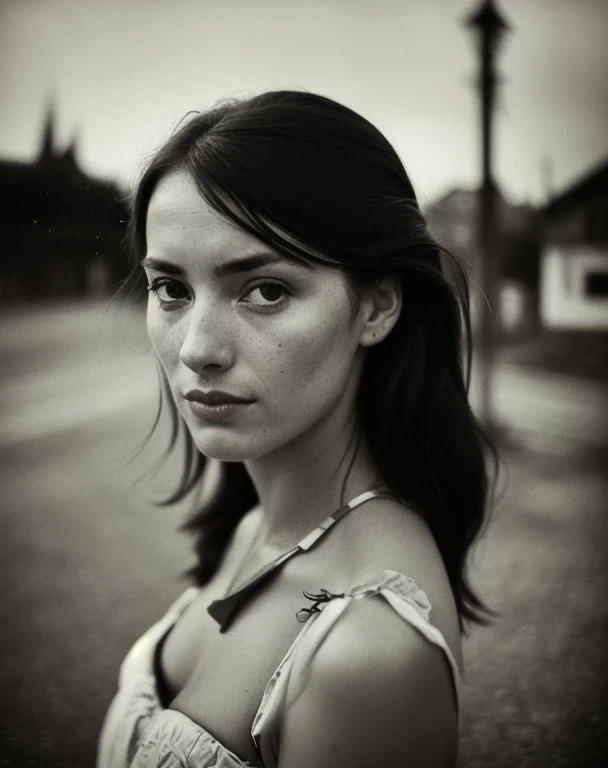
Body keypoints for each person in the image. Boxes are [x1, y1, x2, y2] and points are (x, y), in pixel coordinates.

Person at [98, 89, 500, 768]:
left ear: (376, 307)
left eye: (266, 291)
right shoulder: (258, 526)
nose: (198, 348)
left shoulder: (367, 651)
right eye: (171, 289)